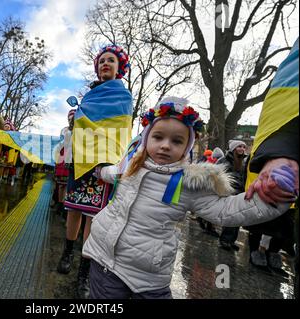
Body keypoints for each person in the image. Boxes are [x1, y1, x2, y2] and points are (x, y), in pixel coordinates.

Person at [82, 97, 296, 299]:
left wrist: (271, 197)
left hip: (148, 275)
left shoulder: (189, 182)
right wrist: (96, 171)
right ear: (146, 138)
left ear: (187, 147)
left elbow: (227, 210)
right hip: (104, 263)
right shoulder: (129, 166)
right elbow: (110, 173)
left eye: (177, 141)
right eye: (158, 137)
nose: (166, 145)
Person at [58, 44, 132, 299]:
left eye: (110, 60)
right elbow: (81, 127)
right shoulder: (88, 96)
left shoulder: (123, 96)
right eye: (101, 61)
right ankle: (68, 251)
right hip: (79, 160)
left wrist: (112, 161)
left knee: (93, 216)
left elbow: (120, 130)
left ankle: (84, 270)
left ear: (119, 67)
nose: (105, 64)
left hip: (102, 165)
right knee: (74, 208)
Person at [244, 39, 298, 284]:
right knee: (267, 217)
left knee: (282, 226)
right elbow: (286, 98)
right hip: (279, 185)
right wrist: (282, 151)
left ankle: (273, 253)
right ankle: (256, 251)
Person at [217, 140, 248, 251]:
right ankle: (225, 240)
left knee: (238, 218)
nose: (242, 149)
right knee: (231, 217)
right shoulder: (224, 160)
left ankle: (231, 241)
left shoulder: (244, 161)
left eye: (244, 147)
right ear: (233, 148)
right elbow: (217, 175)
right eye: (239, 146)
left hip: (242, 193)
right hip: (230, 193)